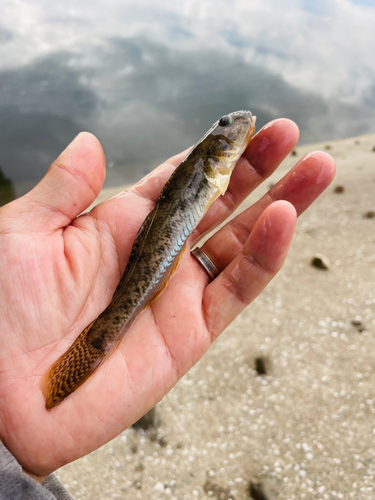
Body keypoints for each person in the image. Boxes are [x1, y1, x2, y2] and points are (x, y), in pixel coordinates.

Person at [0, 119, 335, 499]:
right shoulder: (208, 163)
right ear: (213, 157)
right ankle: (94, 347)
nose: (234, 125)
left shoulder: (211, 164)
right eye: (225, 125)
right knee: (128, 308)